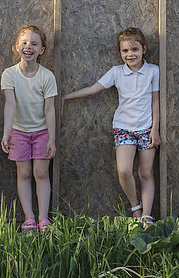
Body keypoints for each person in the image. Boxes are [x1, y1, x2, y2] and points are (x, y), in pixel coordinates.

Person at [62, 27, 160, 226]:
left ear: (144, 49)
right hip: (123, 128)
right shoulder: (117, 72)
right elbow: (93, 89)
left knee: (146, 173)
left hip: (146, 129)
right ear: (120, 53)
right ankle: (136, 208)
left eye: (134, 49)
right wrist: (66, 97)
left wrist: (155, 129)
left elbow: (155, 101)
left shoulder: (153, 71)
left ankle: (147, 216)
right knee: (124, 170)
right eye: (125, 51)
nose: (130, 54)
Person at [1, 25, 57, 232]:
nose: (28, 47)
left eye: (34, 43)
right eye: (24, 43)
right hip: (19, 132)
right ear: (17, 47)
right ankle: (29, 218)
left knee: (41, 173)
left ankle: (43, 219)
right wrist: (7, 133)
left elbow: (49, 109)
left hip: (42, 132)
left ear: (41, 50)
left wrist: (52, 138)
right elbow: (10, 104)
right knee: (23, 173)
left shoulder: (47, 77)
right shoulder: (9, 74)